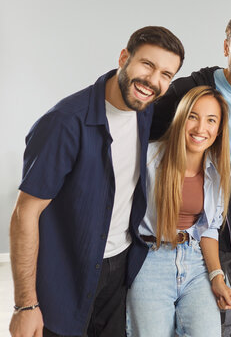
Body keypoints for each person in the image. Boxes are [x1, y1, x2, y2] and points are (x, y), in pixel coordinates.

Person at [9, 26, 184, 337]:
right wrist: (25, 305)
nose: (153, 80)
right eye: (147, 65)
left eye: (166, 74)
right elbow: (25, 213)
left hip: (118, 268)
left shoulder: (143, 111)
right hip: (65, 273)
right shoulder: (64, 122)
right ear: (123, 58)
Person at [150, 10, 231, 337]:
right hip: (208, 230)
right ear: (226, 46)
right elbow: (142, 128)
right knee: (209, 324)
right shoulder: (192, 89)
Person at [126, 86, 231, 336]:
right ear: (181, 117)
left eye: (211, 120)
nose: (200, 129)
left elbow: (209, 229)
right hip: (150, 260)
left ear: (219, 130)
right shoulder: (148, 159)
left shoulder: (220, 171)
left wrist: (217, 276)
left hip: (195, 263)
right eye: (193, 117)